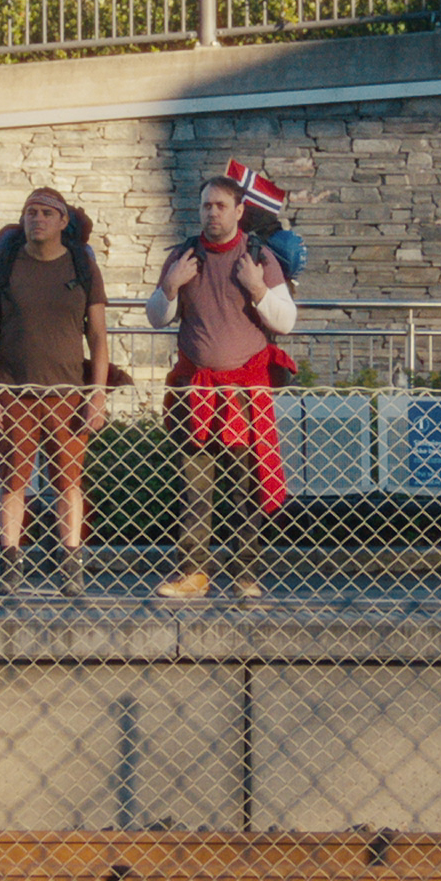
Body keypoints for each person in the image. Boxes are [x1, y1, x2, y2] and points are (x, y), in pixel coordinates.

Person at [148, 174, 297, 599]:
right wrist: (170, 285)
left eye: (219, 206)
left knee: (244, 487)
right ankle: (194, 574)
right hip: (196, 390)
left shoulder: (259, 258)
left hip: (244, 393)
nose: (211, 213)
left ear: (237, 211)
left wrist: (257, 289)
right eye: (205, 206)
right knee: (194, 486)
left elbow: (285, 321)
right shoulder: (182, 257)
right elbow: (157, 316)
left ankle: (245, 576)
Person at [0, 186, 113, 596]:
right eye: (30, 212)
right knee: (13, 481)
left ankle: (71, 567)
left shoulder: (82, 267)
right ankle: (10, 566)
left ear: (62, 222)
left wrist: (98, 393)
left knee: (69, 482)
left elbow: (100, 338)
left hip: (68, 392)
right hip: (15, 391)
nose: (37, 219)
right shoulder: (4, 266)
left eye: (46, 213)